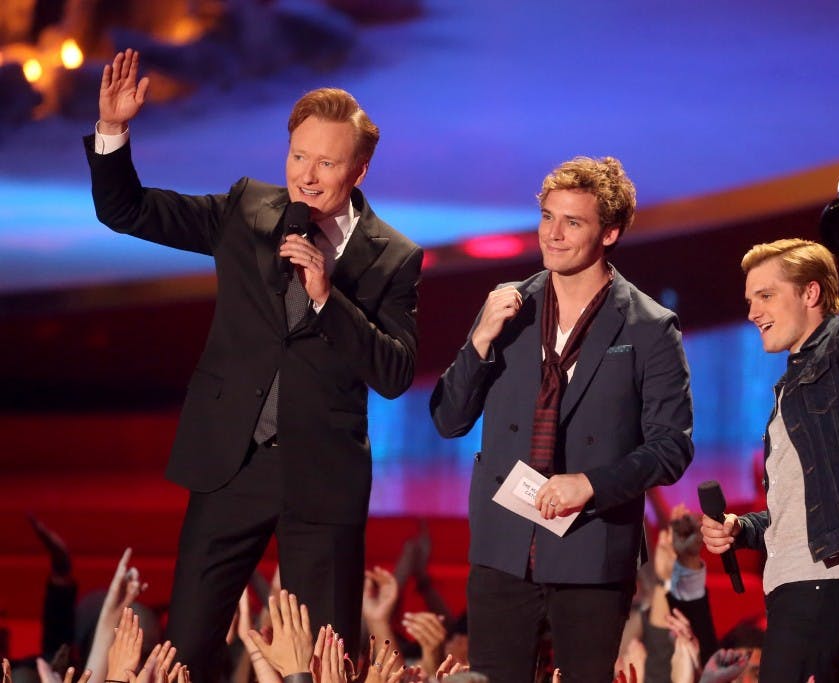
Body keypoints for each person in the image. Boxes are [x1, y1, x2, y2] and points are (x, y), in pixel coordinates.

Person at [84, 49, 422, 681]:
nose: (308, 175)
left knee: (321, 664)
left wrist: (328, 299)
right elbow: (127, 210)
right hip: (230, 464)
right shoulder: (247, 208)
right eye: (299, 156)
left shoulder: (393, 256)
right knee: (183, 650)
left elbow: (396, 371)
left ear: (360, 169)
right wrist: (113, 131)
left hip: (321, 478)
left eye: (327, 162)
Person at [430, 156, 695, 683]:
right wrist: (479, 339)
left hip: (591, 551)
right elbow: (449, 419)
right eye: (547, 217)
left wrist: (589, 486)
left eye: (572, 222)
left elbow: (671, 446)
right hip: (502, 549)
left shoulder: (649, 326)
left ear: (610, 232)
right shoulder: (508, 309)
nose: (552, 234)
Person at [701, 189, 839, 683]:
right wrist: (742, 528)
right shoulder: (790, 384)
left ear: (810, 293)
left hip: (831, 578)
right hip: (800, 581)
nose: (752, 311)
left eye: (766, 295)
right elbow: (806, 501)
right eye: (749, 299)